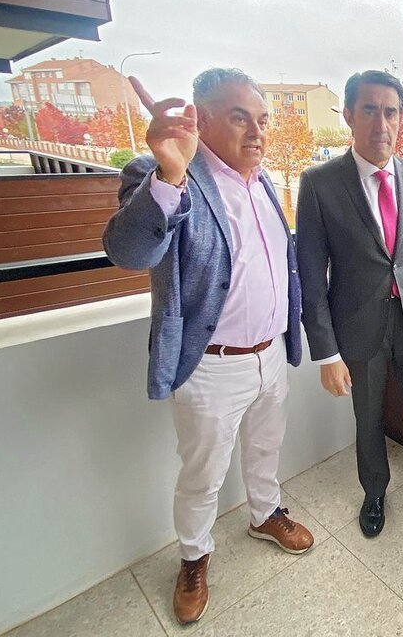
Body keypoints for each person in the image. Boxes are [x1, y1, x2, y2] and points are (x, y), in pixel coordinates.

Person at [103, 68, 314, 625]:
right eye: (240, 116)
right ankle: (194, 557)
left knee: (266, 450)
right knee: (202, 475)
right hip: (212, 365)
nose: (257, 131)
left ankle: (265, 513)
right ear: (202, 117)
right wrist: (171, 173)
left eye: (262, 119)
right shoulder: (166, 174)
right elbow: (127, 251)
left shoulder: (263, 179)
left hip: (271, 355)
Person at [296, 70, 403, 543]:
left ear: (402, 118)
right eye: (369, 110)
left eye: (390, 112)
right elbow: (310, 275)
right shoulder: (320, 184)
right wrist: (325, 353)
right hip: (358, 325)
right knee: (367, 418)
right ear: (348, 115)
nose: (380, 123)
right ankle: (374, 493)